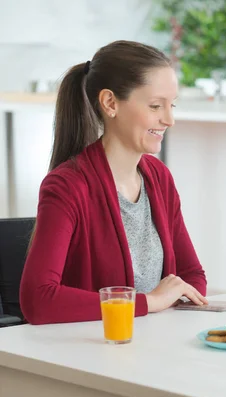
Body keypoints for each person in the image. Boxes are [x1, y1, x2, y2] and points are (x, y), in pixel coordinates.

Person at [20, 40, 208, 325]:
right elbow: (38, 300)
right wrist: (150, 303)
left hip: (153, 345)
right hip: (90, 351)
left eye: (172, 106)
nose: (169, 119)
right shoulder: (67, 186)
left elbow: (191, 275)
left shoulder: (159, 178)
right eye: (156, 106)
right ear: (110, 103)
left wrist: (165, 303)